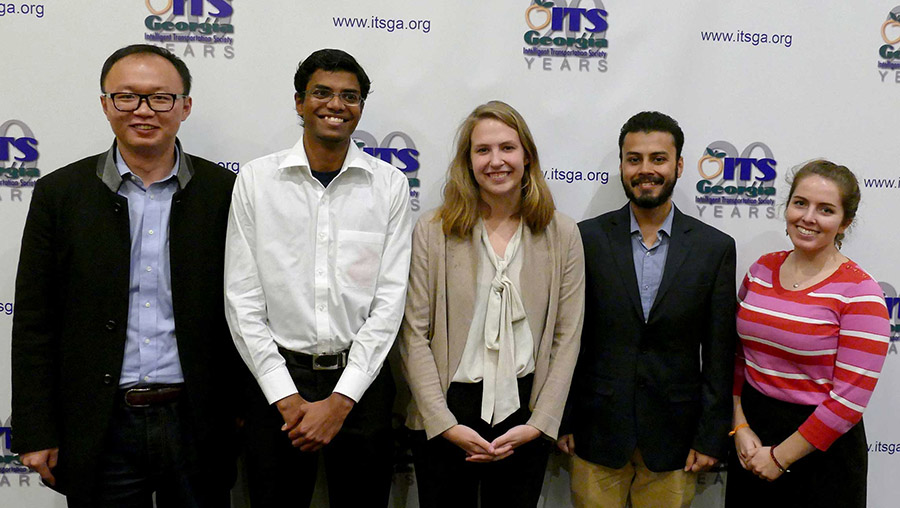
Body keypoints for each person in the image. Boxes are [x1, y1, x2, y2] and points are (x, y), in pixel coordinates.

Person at [11, 44, 240, 507]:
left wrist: (240, 413)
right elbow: (34, 321)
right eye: (126, 97)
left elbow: (248, 309)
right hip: (100, 423)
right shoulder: (60, 194)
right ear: (105, 104)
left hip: (196, 422)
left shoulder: (225, 193)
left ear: (184, 107)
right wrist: (36, 428)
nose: (142, 111)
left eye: (160, 98)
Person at [224, 48, 412, 507]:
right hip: (276, 385)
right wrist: (284, 396)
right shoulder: (256, 181)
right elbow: (242, 299)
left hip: (361, 385)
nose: (335, 104)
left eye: (349, 96)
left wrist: (342, 400)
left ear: (361, 107)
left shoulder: (389, 185)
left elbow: (389, 301)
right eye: (322, 93)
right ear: (298, 102)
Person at [400, 100, 585, 508]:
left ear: (526, 156)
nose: (496, 161)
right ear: (467, 161)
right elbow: (413, 334)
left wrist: (539, 425)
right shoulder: (434, 230)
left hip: (526, 414)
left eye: (507, 148)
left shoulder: (562, 233)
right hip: (446, 412)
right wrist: (444, 423)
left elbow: (566, 338)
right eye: (482, 150)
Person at [558, 111, 736, 508]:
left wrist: (710, 436)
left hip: (675, 439)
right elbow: (568, 337)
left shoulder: (715, 248)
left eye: (658, 158)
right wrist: (563, 418)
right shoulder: (584, 238)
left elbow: (720, 353)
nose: (645, 170)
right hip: (596, 432)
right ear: (622, 165)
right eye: (634, 159)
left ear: (679, 165)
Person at [725, 160, 890, 508]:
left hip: (821, 454)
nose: (808, 217)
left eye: (825, 209)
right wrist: (740, 426)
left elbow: (848, 402)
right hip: (752, 439)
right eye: (800, 203)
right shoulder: (761, 269)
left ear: (844, 222)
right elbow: (739, 356)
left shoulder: (861, 293)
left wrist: (781, 457)